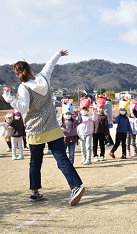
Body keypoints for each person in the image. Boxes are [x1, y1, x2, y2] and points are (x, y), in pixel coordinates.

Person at [2, 50, 85, 206]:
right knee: (61, 158)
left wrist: (8, 98)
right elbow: (50, 64)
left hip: (35, 131)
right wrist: (59, 53)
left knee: (35, 162)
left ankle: (34, 193)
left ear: (17, 74)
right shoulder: (43, 77)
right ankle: (75, 186)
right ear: (31, 69)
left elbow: (23, 108)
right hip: (53, 127)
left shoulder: (23, 87)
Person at [60, 99, 82, 165]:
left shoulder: (74, 121)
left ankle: (71, 163)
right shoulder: (62, 122)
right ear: (63, 115)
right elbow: (58, 127)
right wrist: (62, 128)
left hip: (73, 138)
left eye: (69, 114)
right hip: (65, 138)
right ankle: (61, 163)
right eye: (66, 114)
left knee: (71, 152)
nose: (68, 115)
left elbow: (80, 121)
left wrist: (78, 114)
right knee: (63, 152)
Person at [77, 97, 97, 165]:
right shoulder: (79, 117)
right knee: (82, 148)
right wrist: (77, 133)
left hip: (89, 133)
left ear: (88, 110)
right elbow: (77, 125)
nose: (84, 111)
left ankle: (88, 159)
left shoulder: (90, 117)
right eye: (82, 109)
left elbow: (95, 119)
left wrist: (94, 111)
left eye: (85, 110)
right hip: (81, 134)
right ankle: (83, 158)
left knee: (88, 147)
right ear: (80, 110)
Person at [92, 96, 110, 162]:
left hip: (102, 133)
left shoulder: (104, 117)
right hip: (94, 132)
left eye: (102, 108)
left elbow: (106, 126)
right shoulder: (94, 115)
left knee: (102, 145)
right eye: (100, 108)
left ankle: (102, 155)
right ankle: (95, 156)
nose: (101, 109)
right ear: (97, 108)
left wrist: (107, 133)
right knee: (95, 145)